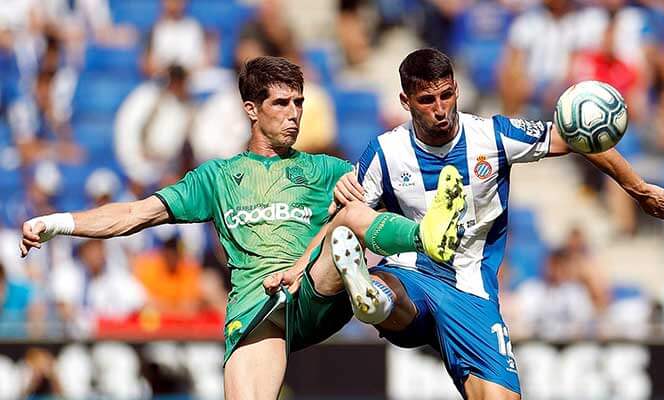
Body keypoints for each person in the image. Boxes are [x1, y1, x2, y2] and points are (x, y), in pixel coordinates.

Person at [19, 56, 465, 400]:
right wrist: (59, 222)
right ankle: (374, 284)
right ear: (251, 109)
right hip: (260, 307)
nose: (294, 114)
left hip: (315, 289)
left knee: (347, 220)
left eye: (299, 103)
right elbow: (135, 214)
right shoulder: (215, 178)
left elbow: (394, 189)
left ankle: (417, 244)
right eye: (281, 104)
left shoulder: (327, 169)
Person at [329, 48, 664, 400]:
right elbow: (343, 216)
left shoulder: (493, 136)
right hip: (412, 274)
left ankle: (377, 301)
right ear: (405, 101)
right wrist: (301, 270)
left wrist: (638, 188)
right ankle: (374, 296)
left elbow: (576, 138)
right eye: (427, 100)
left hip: (471, 291)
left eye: (446, 95)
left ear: (457, 89)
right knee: (390, 286)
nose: (440, 109)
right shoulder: (384, 152)